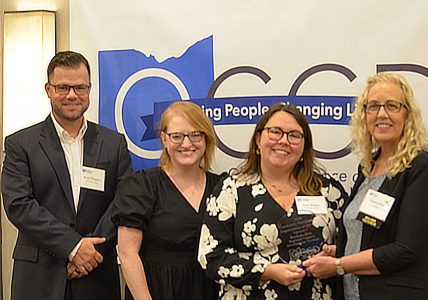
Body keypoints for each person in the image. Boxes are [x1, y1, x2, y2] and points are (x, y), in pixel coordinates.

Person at [1, 51, 133, 299]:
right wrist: (73, 247)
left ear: (89, 90)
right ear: (48, 89)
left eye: (80, 87)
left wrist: (89, 253)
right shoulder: (21, 144)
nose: (72, 95)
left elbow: (123, 203)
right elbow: (19, 205)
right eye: (63, 87)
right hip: (39, 277)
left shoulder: (113, 143)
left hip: (97, 273)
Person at [303, 72, 428, 299]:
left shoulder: (421, 167)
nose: (381, 114)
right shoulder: (368, 167)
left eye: (392, 105)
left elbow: (405, 250)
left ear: (407, 114)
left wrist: (340, 264)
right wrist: (340, 251)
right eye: (373, 106)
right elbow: (368, 236)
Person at [198, 103, 347, 299]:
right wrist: (266, 271)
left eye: (294, 135)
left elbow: (353, 246)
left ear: (304, 147)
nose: (284, 141)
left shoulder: (328, 190)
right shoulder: (231, 189)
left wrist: (336, 257)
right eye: (275, 132)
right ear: (258, 140)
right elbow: (210, 256)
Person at [111, 101, 221, 300]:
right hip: (156, 290)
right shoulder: (142, 186)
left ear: (206, 138)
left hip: (208, 290)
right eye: (177, 136)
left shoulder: (222, 188)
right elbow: (127, 254)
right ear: (164, 138)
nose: (187, 144)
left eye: (195, 135)